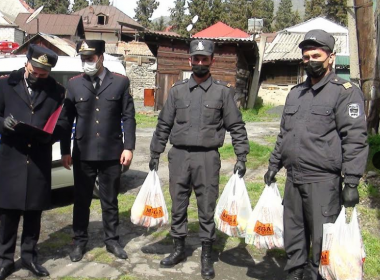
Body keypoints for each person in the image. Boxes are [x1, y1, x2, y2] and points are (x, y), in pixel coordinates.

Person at [263, 30, 368, 280]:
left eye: (316, 55)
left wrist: (351, 180)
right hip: (293, 179)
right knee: (294, 233)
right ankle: (295, 274)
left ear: (330, 57)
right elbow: (285, 134)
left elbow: (355, 138)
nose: (311, 60)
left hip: (323, 180)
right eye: (306, 56)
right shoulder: (295, 93)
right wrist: (273, 164)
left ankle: (316, 276)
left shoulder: (345, 92)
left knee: (322, 239)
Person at [149, 39, 250, 280]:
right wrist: (155, 152)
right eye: (197, 59)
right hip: (180, 156)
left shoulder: (222, 93)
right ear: (190, 60)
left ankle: (206, 255)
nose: (201, 63)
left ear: (212, 61)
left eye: (205, 59)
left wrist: (242, 155)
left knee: (206, 207)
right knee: (179, 204)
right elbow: (164, 124)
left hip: (207, 158)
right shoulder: (177, 91)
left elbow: (236, 126)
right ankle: (179, 249)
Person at [0, 45, 65, 280]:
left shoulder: (57, 91)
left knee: (33, 213)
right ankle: (5, 261)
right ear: (27, 62)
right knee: (8, 214)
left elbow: (62, 122)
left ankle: (29, 256)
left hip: (38, 160)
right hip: (12, 158)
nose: (39, 76)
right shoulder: (6, 84)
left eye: (44, 74)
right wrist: (3, 124)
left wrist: (51, 135)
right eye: (35, 71)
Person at [58, 40, 136, 262]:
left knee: (110, 200)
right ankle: (79, 241)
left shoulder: (120, 83)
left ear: (101, 57)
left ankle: (112, 240)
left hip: (112, 152)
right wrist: (65, 150)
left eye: (90, 59)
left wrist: (128, 147)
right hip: (83, 153)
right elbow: (66, 120)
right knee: (81, 200)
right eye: (83, 59)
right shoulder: (74, 85)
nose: (86, 63)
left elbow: (128, 116)